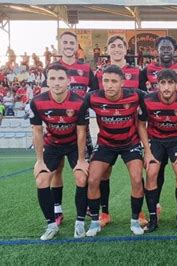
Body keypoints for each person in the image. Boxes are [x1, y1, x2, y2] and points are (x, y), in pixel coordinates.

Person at [82, 65, 147, 236]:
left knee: (136, 178)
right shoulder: (93, 97)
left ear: (122, 82)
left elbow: (156, 99)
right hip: (105, 144)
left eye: (113, 81)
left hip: (130, 143)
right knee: (94, 179)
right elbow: (75, 105)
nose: (109, 85)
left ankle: (135, 220)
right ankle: (97, 220)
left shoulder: (135, 95)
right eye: (106, 81)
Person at [29, 63, 89, 240]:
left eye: (61, 78)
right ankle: (51, 225)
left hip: (73, 144)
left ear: (69, 80)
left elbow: (81, 132)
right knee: (41, 179)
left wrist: (80, 159)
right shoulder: (37, 102)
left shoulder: (79, 102)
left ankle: (79, 223)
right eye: (52, 78)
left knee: (81, 176)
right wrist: (39, 161)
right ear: (47, 80)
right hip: (53, 144)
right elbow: (37, 132)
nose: (56, 83)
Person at [44, 31, 97, 226]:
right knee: (56, 169)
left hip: (81, 126)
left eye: (71, 42)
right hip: (57, 129)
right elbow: (43, 96)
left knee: (85, 167)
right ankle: (57, 209)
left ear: (77, 46)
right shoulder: (52, 69)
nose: (68, 45)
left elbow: (95, 92)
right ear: (59, 46)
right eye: (64, 42)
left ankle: (88, 207)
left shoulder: (85, 68)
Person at [139, 36, 177, 221]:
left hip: (176, 138)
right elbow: (141, 121)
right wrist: (147, 150)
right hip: (156, 138)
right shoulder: (147, 89)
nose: (166, 50)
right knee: (153, 172)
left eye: (169, 47)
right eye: (162, 47)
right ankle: (154, 214)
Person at [91, 35, 142, 228]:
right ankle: (104, 213)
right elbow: (96, 99)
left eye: (120, 46)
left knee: (137, 176)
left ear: (126, 48)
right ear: (108, 49)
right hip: (107, 135)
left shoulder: (137, 72)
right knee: (103, 174)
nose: (117, 49)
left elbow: (145, 100)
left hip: (131, 134)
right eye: (113, 46)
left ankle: (139, 213)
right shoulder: (98, 74)